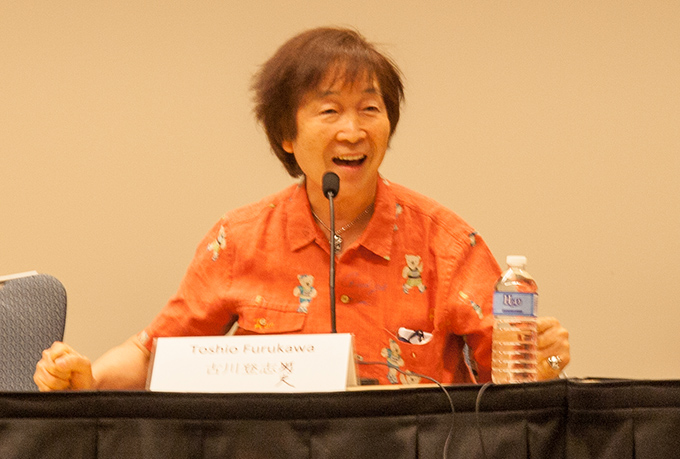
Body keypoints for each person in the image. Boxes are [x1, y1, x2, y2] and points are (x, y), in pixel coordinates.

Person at [34, 27, 570, 391]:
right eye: (329, 111)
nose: (352, 130)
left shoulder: (445, 243)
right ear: (287, 135)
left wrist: (544, 360)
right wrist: (88, 379)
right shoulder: (239, 240)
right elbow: (153, 352)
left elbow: (512, 376)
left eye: (370, 109)